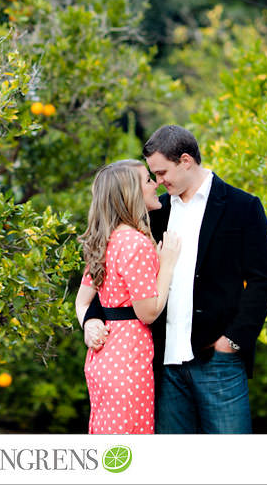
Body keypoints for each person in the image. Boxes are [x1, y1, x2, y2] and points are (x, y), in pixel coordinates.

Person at [82, 125, 267, 434]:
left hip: (218, 361)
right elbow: (114, 277)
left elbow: (262, 281)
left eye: (161, 173)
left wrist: (232, 342)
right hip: (161, 364)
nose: (158, 182)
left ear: (186, 160)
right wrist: (91, 318)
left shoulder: (243, 207)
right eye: (153, 176)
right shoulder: (154, 213)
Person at [75, 159, 181, 434]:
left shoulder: (106, 238)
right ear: (130, 193)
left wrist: (88, 324)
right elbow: (148, 312)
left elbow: (82, 301)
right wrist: (167, 263)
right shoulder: (135, 243)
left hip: (102, 358)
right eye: (148, 180)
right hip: (128, 358)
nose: (155, 183)